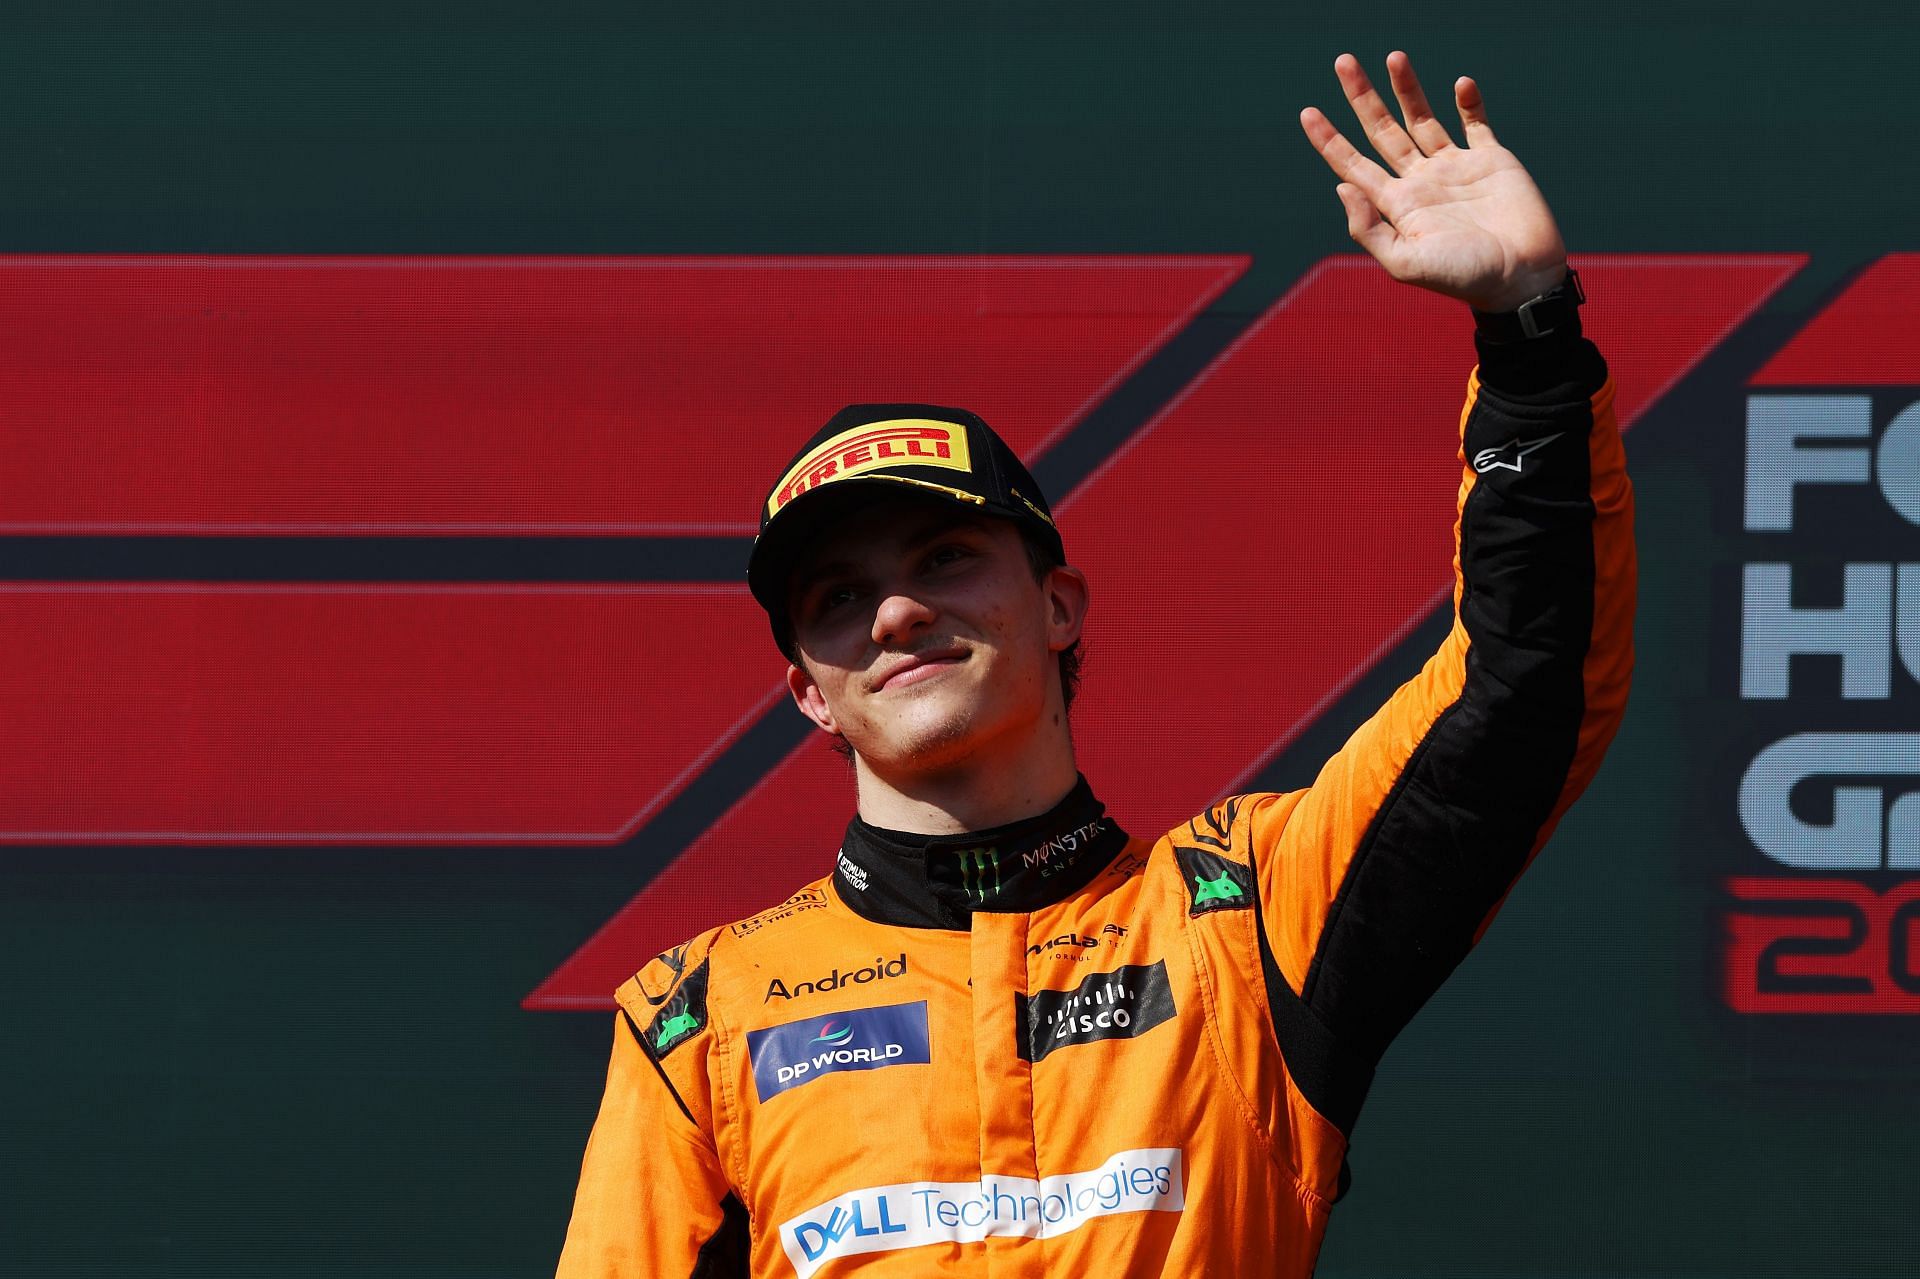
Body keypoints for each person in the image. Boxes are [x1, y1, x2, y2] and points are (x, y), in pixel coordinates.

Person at [555, 50, 1634, 1278]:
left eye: (947, 557)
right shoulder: (698, 1021)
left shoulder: (1244, 917)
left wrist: (1532, 336)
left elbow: (1522, 689)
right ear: (808, 687)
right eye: (839, 598)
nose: (897, 612)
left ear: (1060, 603)